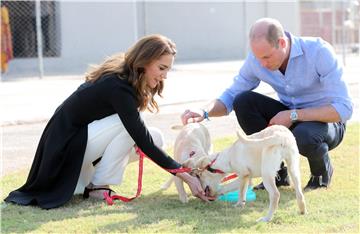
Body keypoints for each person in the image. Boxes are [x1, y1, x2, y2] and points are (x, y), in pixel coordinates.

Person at [5, 34, 210, 209]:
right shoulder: (118, 86)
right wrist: (185, 175)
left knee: (155, 137)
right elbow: (139, 136)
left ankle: (92, 180)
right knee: (132, 129)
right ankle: (99, 186)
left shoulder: (125, 78)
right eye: (161, 68)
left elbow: (146, 139)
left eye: (168, 70)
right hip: (63, 148)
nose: (164, 76)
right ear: (145, 61)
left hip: (79, 143)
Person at [181, 18, 352, 192]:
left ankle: (320, 175)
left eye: (266, 57)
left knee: (303, 135)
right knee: (243, 101)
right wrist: (204, 111)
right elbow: (231, 96)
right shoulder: (257, 59)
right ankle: (276, 174)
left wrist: (294, 115)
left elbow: (344, 109)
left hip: (327, 121)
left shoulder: (319, 52)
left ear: (282, 43)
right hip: (289, 115)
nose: (262, 63)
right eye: (257, 57)